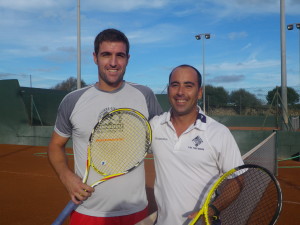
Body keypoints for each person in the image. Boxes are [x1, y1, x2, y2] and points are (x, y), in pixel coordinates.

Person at [48, 28, 163, 225]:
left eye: (120, 55)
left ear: (127, 58)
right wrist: (66, 177)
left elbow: (167, 137)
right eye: (106, 55)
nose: (113, 62)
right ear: (95, 57)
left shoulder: (144, 95)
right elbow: (55, 146)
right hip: (87, 212)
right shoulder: (73, 101)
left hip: (136, 211)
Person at [150, 64, 244, 225]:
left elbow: (238, 179)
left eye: (188, 85)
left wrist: (213, 209)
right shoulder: (155, 126)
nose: (180, 92)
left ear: (199, 92)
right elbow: (128, 155)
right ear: (168, 90)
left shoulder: (218, 132)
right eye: (175, 85)